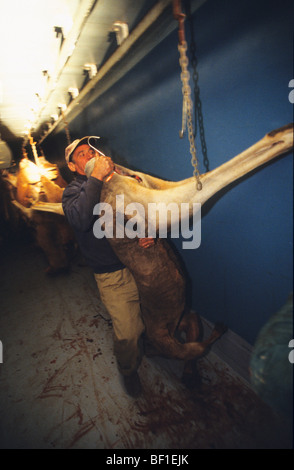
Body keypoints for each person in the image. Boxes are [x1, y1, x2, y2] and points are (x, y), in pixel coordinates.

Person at [62, 137, 153, 398]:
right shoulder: (72, 193)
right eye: (81, 154)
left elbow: (136, 212)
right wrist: (97, 178)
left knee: (150, 311)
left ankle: (149, 342)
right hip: (111, 273)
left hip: (137, 259)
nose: (89, 155)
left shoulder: (114, 182)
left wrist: (146, 233)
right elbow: (81, 219)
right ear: (72, 166)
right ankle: (128, 369)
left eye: (91, 150)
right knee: (128, 330)